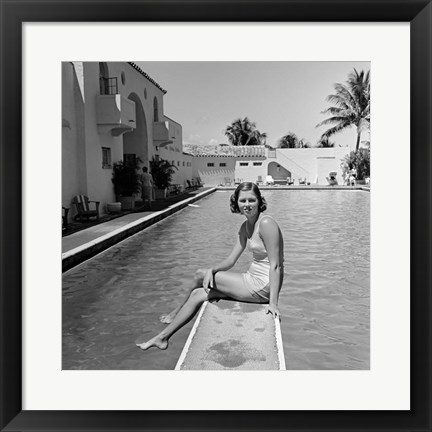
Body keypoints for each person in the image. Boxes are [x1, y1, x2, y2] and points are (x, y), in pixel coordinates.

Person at [136, 182, 285, 351]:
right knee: (198, 294)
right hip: (251, 278)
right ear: (236, 202)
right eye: (243, 201)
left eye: (252, 200)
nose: (247, 205)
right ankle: (162, 338)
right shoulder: (245, 227)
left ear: (259, 201)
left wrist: (273, 303)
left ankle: (175, 311)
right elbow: (231, 260)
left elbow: (276, 265)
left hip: (263, 285)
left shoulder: (266, 223)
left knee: (200, 274)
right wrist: (212, 270)